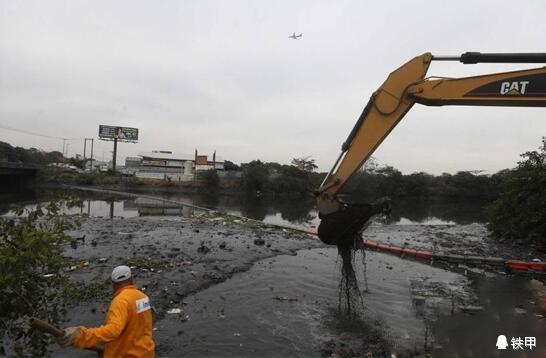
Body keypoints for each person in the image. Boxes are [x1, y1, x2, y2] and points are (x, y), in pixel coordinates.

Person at [58, 265, 155, 357]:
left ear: (113, 284)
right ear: (131, 279)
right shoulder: (143, 297)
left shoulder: (120, 301)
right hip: (145, 352)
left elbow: (113, 331)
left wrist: (81, 336)